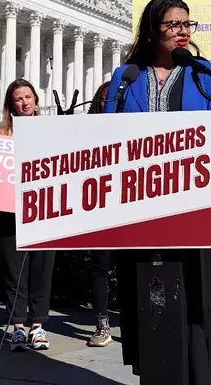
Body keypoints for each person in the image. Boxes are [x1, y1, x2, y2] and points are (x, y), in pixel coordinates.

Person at [103, 0, 211, 385]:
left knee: (193, 298)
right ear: (152, 28)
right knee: (151, 297)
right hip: (140, 212)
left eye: (186, 24)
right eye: (173, 24)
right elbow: (105, 138)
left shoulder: (205, 75)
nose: (182, 31)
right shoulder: (126, 78)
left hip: (195, 211)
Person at [0, 79, 57, 352]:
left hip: (43, 209)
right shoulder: (3, 133)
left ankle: (38, 326)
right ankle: (18, 327)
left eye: (29, 96)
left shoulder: (49, 129)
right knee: (14, 270)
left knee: (42, 270)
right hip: (11, 210)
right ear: (11, 104)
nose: (25, 102)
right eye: (19, 98)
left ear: (36, 99)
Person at [85, 81, 115, 348]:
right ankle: (102, 324)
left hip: (129, 206)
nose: (109, 102)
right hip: (99, 207)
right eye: (105, 98)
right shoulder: (87, 130)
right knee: (100, 267)